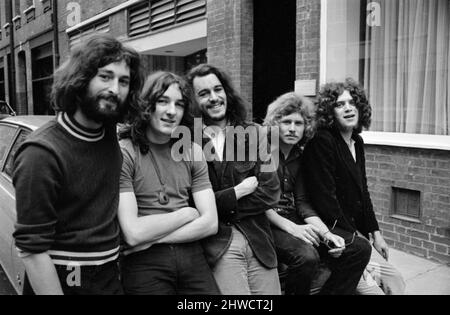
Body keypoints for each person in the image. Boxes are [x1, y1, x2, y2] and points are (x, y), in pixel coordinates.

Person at [12, 34, 143, 295]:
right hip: (64, 279)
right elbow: (32, 249)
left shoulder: (107, 131)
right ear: (81, 78)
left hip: (109, 276)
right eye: (105, 77)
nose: (115, 89)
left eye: (124, 81)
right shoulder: (41, 151)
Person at [118, 71, 220, 295]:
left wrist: (153, 239)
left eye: (179, 104)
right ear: (146, 105)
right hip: (144, 262)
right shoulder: (125, 152)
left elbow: (211, 223)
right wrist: (186, 214)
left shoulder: (192, 151)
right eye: (163, 101)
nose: (172, 112)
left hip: (189, 252)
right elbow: (133, 233)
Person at [303, 78, 406, 295]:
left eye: (352, 102)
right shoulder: (323, 141)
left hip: (355, 233)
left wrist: (376, 234)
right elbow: (325, 201)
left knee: (396, 280)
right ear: (330, 113)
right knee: (374, 292)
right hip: (336, 237)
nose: (348, 108)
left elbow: (363, 192)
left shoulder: (356, 141)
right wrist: (359, 243)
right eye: (340, 104)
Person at [264, 92, 372, 295]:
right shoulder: (261, 151)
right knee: (307, 257)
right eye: (286, 122)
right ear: (275, 123)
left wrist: (327, 234)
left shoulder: (300, 156)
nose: (292, 128)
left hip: (293, 218)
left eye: (299, 123)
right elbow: (259, 204)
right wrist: (294, 228)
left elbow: (303, 203)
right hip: (266, 222)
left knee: (359, 248)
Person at [187, 64, 281, 295]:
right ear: (193, 102)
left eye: (217, 89)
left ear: (226, 92)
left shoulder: (256, 133)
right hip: (218, 244)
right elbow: (189, 203)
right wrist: (236, 192)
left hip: (258, 240)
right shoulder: (187, 142)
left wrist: (214, 205)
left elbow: (270, 191)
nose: (214, 98)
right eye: (203, 93)